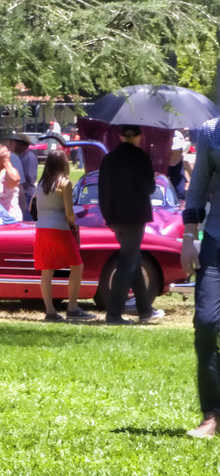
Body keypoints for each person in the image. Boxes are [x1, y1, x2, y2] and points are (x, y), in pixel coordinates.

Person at [95, 123, 160, 325]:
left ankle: (145, 309)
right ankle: (113, 314)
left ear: (121, 136)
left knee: (134, 260)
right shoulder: (141, 158)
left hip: (115, 218)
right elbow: (149, 188)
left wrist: (108, 218)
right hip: (135, 217)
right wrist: (153, 178)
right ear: (139, 136)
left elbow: (102, 192)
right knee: (127, 262)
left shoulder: (108, 159)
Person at [183, 117, 218, 438]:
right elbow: (196, 192)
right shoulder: (211, 131)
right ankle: (212, 414)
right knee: (206, 323)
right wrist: (189, 239)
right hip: (216, 244)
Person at [34, 149, 94, 321]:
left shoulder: (41, 183)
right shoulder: (64, 183)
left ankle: (50, 311)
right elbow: (68, 212)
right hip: (59, 228)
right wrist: (74, 223)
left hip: (42, 228)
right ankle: (73, 307)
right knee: (77, 266)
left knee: (47, 271)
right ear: (64, 163)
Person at [5, 134, 39, 219]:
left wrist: (18, 176)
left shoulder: (29, 157)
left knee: (26, 218)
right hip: (22, 192)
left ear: (21, 144)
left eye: (15, 143)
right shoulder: (21, 156)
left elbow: (30, 176)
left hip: (27, 194)